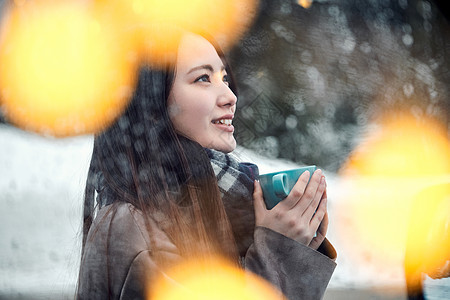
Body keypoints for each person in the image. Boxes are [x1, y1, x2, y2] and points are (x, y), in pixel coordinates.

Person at [77, 32, 337, 300]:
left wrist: (290, 247)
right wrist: (278, 254)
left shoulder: (219, 205)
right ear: (151, 102)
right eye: (203, 78)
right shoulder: (129, 226)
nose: (230, 96)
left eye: (223, 78)